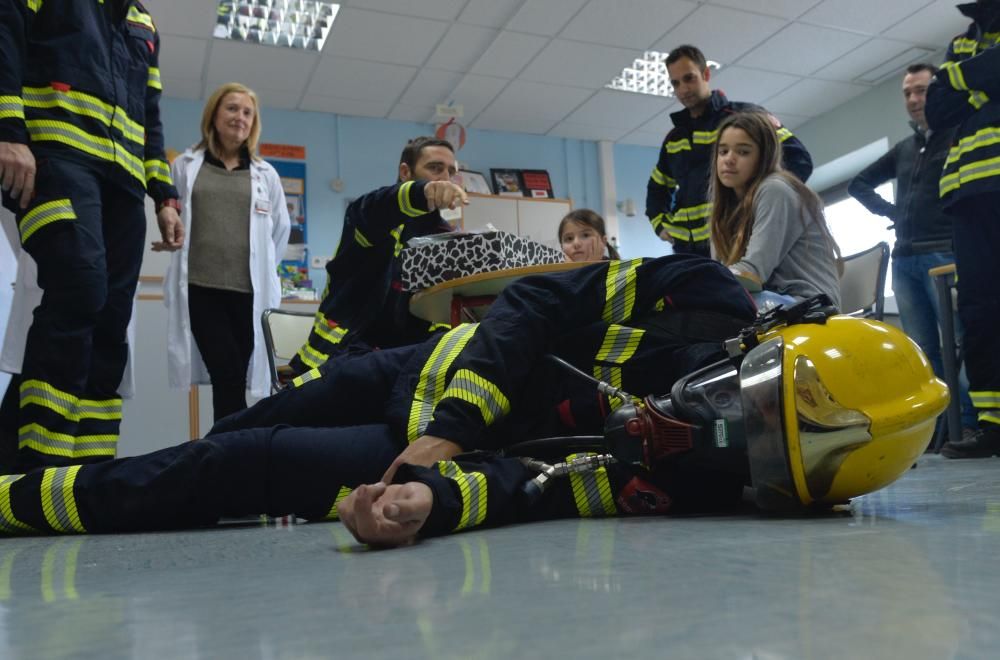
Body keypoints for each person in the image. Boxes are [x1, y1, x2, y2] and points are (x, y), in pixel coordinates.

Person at [0, 257, 947, 541]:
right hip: (413, 375)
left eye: (765, 448)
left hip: (404, 452)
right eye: (757, 394)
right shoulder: (704, 292)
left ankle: (18, 506)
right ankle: (61, 478)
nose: (726, 425)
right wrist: (452, 432)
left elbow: (545, 485)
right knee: (246, 425)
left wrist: (429, 501)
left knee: (231, 465)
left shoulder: (702, 482)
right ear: (775, 342)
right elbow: (534, 299)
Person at [0, 0, 182, 471]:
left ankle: (89, 471)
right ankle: (38, 466)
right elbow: (5, 39)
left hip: (123, 183)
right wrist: (8, 132)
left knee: (111, 316)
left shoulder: (143, 22)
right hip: (55, 158)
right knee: (79, 289)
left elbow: (150, 115)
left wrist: (164, 195)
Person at [848, 64, 977, 441]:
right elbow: (859, 184)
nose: (914, 99)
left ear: (937, 94)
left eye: (921, 91)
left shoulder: (958, 135)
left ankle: (968, 424)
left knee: (963, 343)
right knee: (923, 351)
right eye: (907, 93)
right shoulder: (904, 148)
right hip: (903, 259)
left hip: (944, 255)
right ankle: (937, 430)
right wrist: (892, 214)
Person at [159, 83, 290, 421]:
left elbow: (279, 231)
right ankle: (236, 446)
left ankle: (226, 449)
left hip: (248, 293)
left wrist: (262, 268)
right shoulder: (186, 167)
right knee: (226, 370)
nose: (239, 117)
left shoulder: (265, 175)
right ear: (214, 115)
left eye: (247, 112)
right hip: (202, 288)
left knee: (234, 375)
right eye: (232, 109)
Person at [288, 136, 467, 374]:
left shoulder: (446, 236)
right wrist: (422, 192)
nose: (445, 178)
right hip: (341, 356)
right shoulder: (372, 217)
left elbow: (441, 312)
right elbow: (376, 207)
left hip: (405, 363)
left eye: (451, 171)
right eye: (435, 168)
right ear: (405, 172)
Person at [645, 45, 813, 257]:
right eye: (675, 83)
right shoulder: (674, 139)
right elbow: (657, 188)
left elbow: (800, 161)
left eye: (689, 78)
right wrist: (660, 225)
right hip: (686, 252)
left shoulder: (746, 116)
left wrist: (757, 209)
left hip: (736, 242)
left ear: (706, 74)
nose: (683, 89)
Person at [925, 0, 1000, 458]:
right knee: (979, 310)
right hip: (969, 190)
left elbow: (950, 92)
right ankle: (993, 422)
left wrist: (959, 80)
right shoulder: (963, 40)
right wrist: (981, 78)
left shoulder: (963, 53)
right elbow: (936, 109)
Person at [709, 112, 841, 311]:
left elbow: (753, 274)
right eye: (723, 151)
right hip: (771, 304)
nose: (729, 160)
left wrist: (699, 284)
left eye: (743, 152)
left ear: (764, 157)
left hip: (810, 308)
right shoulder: (724, 210)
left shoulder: (775, 190)